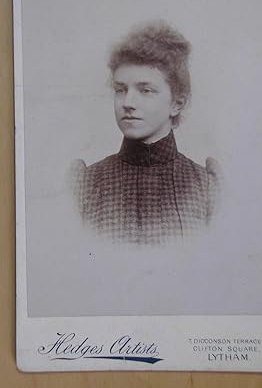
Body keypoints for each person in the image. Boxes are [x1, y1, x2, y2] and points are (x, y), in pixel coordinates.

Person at [72, 21, 221, 244]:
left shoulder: (207, 188)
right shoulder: (84, 185)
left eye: (146, 90)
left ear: (177, 103)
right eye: (120, 90)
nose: (128, 102)